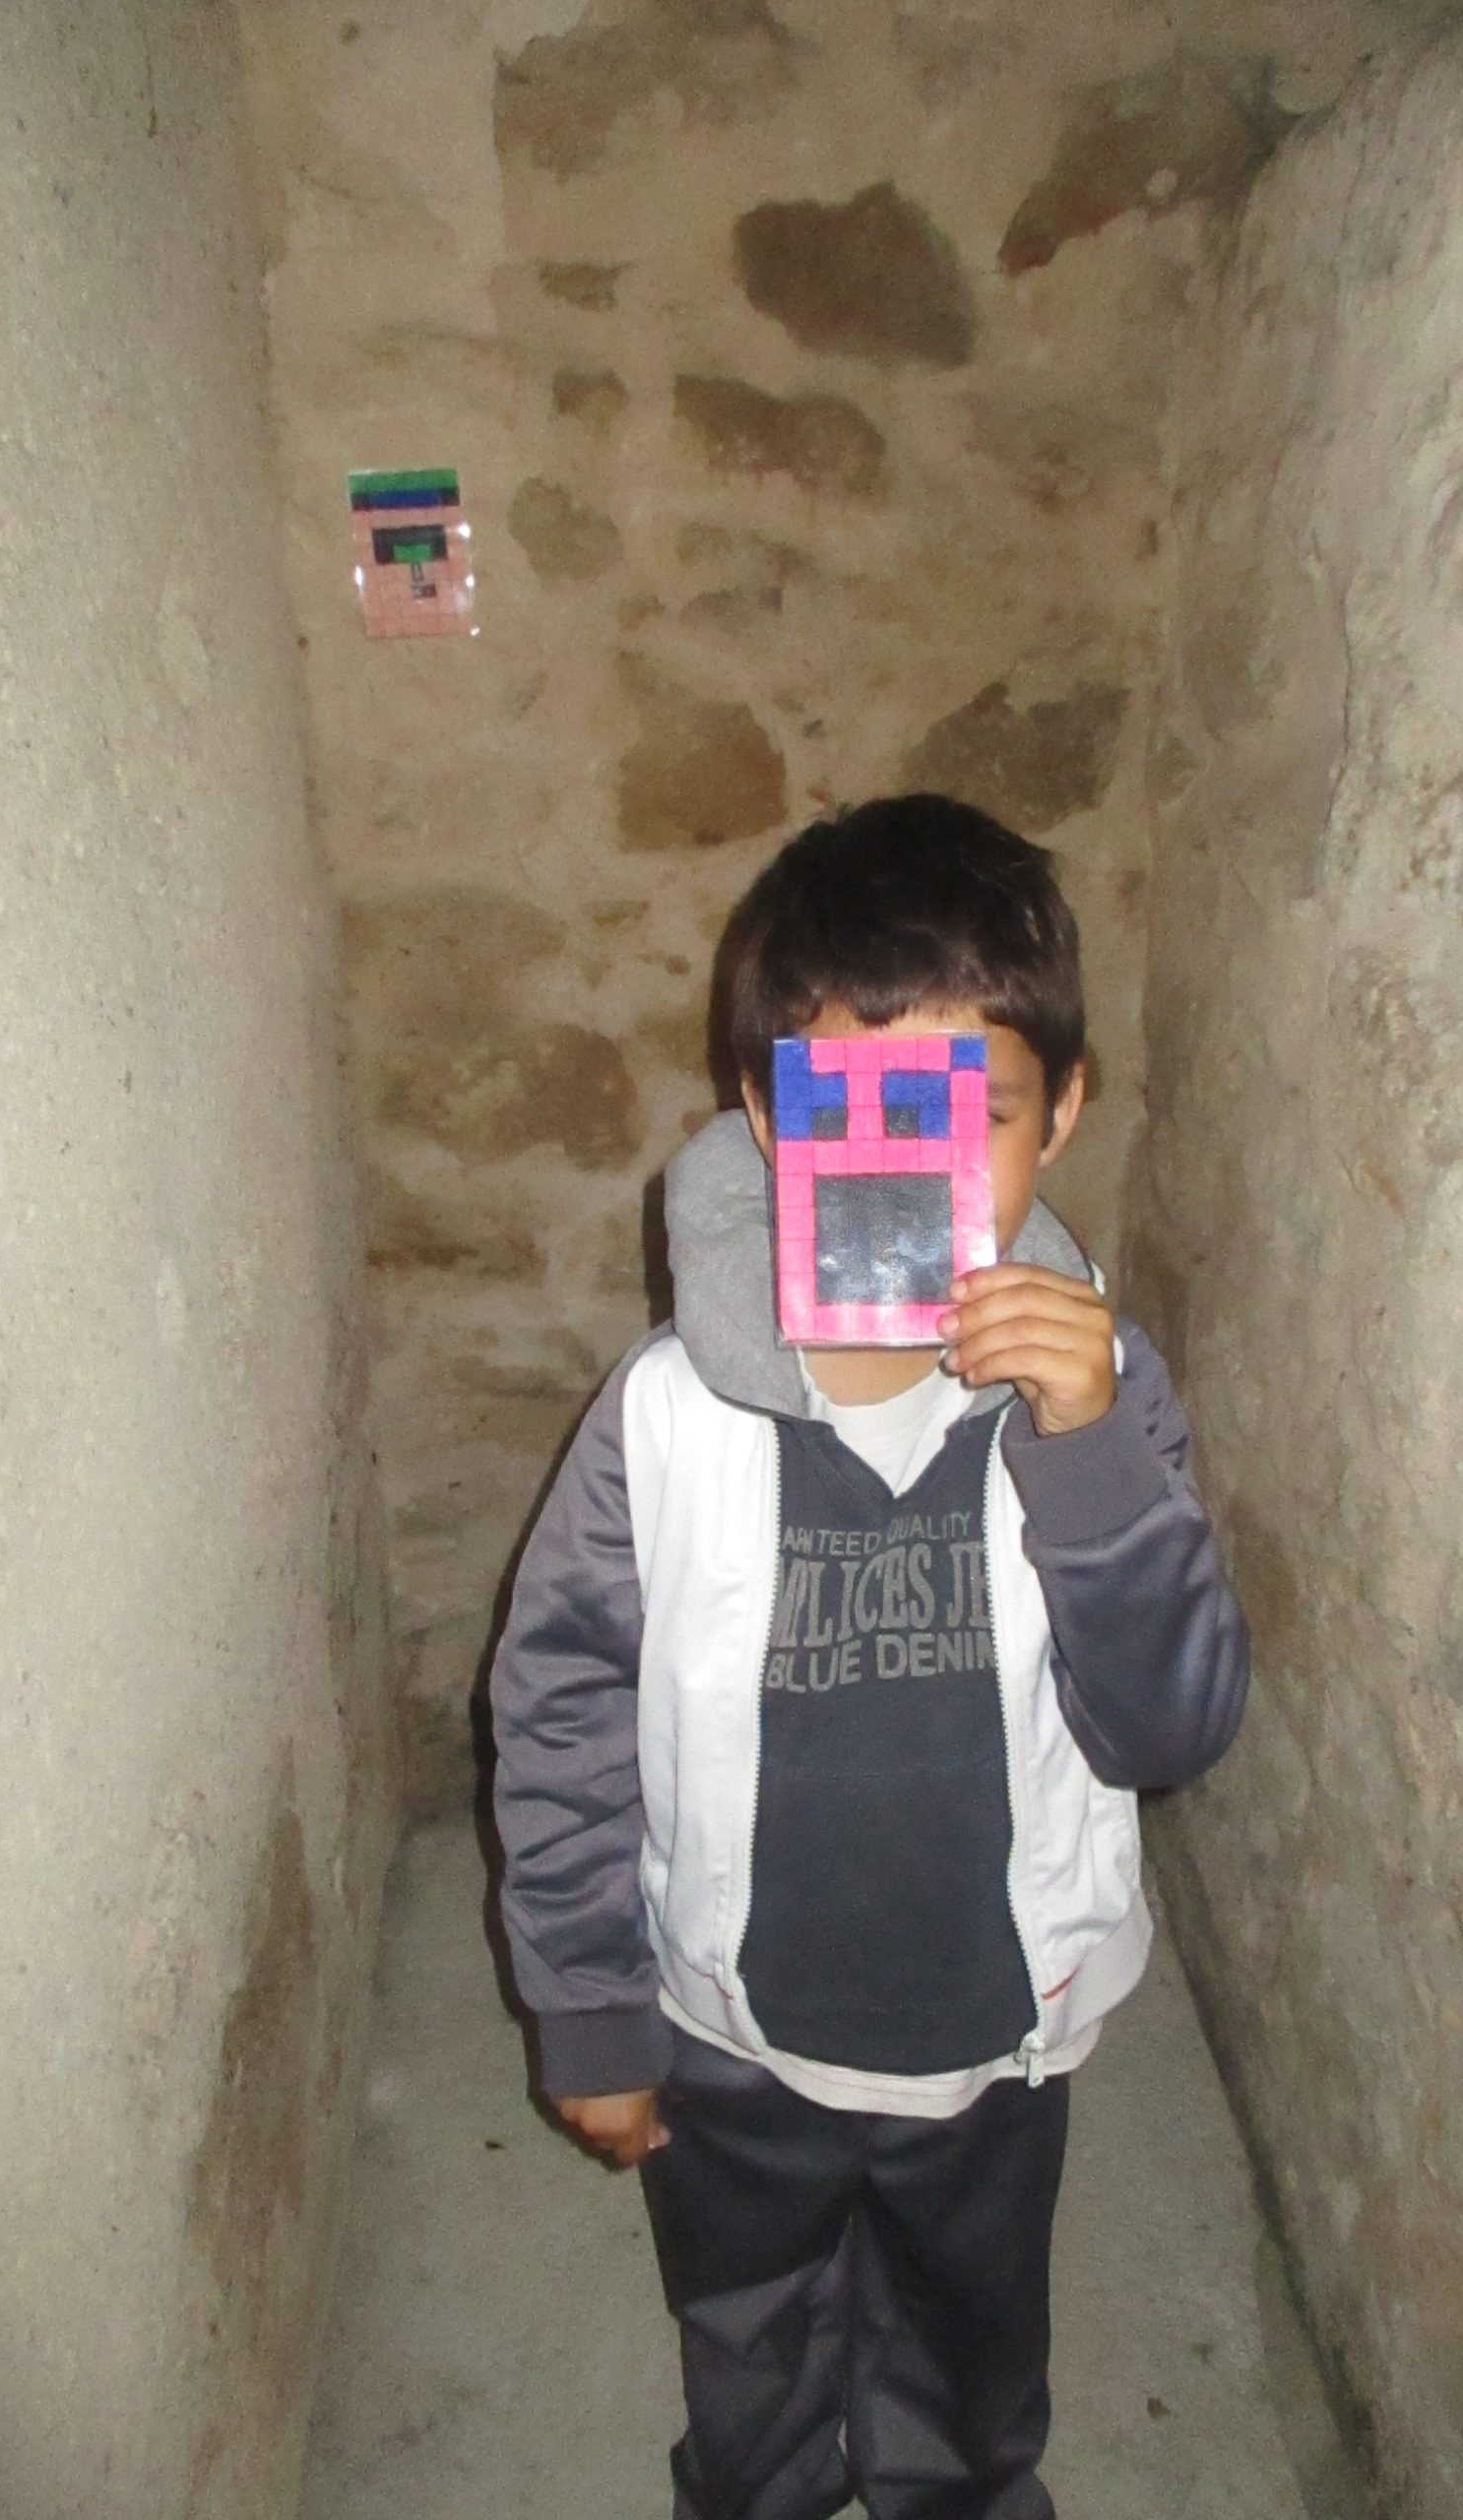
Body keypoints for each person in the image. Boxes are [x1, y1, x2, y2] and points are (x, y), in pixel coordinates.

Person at [489, 793, 1249, 2520]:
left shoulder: (1104, 1404)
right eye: (850, 1109)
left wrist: (1086, 1449)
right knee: (746, 2329)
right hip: (732, 2029)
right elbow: (561, 1707)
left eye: (971, 1113)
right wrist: (593, 2010)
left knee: (969, 2352)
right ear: (767, 1116)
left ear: (1063, 1111)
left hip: (997, 2030)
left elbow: (1171, 1728)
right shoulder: (665, 1418)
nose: (909, 1170)